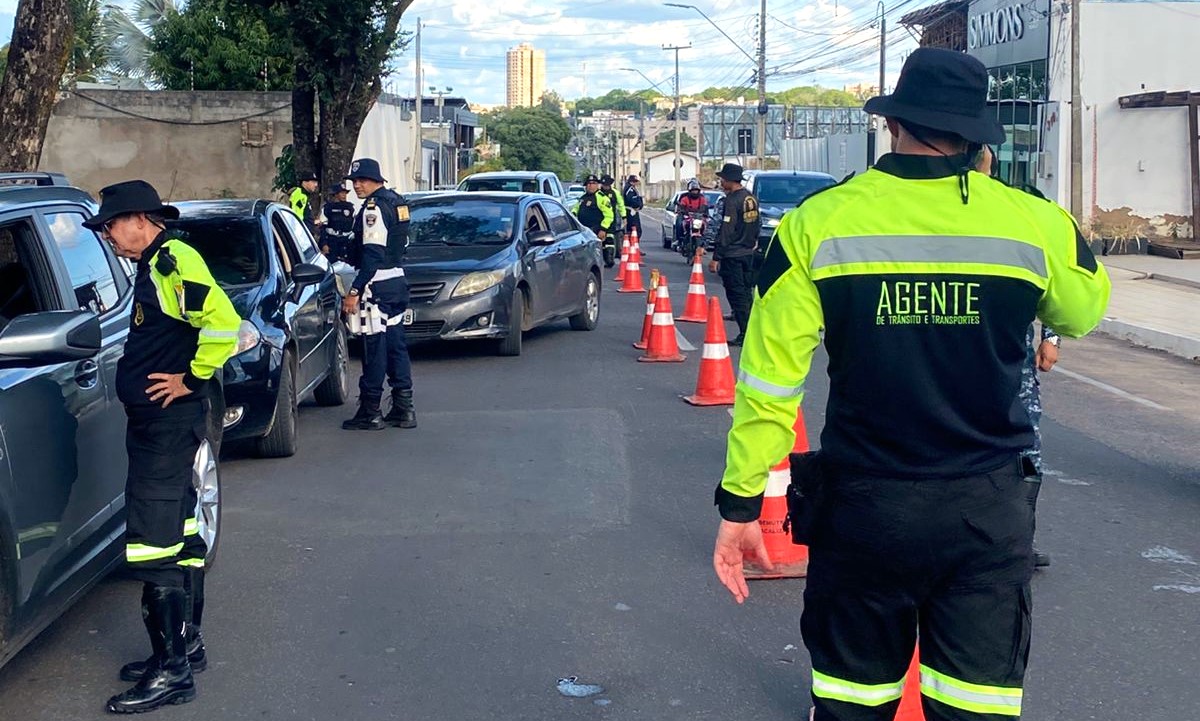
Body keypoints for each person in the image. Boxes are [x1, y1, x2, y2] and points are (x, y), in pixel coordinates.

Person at [710, 48, 1111, 721]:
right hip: (986, 509)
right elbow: (1082, 308)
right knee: (976, 707)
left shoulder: (821, 221)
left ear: (893, 125)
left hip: (865, 506)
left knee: (852, 703)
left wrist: (741, 503)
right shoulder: (1031, 222)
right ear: (980, 139)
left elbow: (768, 380)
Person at [84, 180, 239, 714]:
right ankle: (184, 646)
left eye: (110, 224)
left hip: (166, 424)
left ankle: (171, 670)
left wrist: (190, 379)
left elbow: (223, 322)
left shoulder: (172, 259)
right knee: (182, 531)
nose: (107, 235)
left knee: (153, 545)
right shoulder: (156, 263)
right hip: (163, 425)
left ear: (141, 220)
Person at [341, 158, 416, 431]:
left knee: (374, 350)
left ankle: (370, 411)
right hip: (396, 281)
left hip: (376, 286)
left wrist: (354, 291)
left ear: (377, 181)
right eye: (354, 182)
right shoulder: (397, 201)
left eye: (363, 180)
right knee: (396, 347)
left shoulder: (373, 208)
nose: (357, 186)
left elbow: (372, 255)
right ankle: (403, 408)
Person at [708, 165, 759, 346]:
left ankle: (746, 333)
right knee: (746, 293)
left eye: (723, 179)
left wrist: (716, 257)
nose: (721, 183)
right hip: (748, 252)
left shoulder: (732, 201)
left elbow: (727, 231)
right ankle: (753, 329)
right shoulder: (750, 198)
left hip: (733, 254)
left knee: (736, 294)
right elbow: (756, 224)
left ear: (730, 180)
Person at [573, 175, 616, 266]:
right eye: (588, 184)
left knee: (596, 255)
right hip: (584, 230)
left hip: (596, 230)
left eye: (593, 183)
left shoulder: (602, 198)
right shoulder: (583, 198)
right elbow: (575, 210)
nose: (591, 186)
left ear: (597, 185)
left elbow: (609, 215)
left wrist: (603, 229)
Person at [321, 184, 355, 261]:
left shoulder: (351, 208)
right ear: (335, 194)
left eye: (345, 193)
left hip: (347, 241)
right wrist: (324, 244)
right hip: (332, 241)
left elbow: (355, 226)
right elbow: (323, 227)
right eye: (341, 193)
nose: (344, 195)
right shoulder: (327, 208)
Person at [674, 179, 709, 251]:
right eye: (693, 190)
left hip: (698, 217)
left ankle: (704, 243)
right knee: (679, 222)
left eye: (696, 190)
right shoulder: (685, 198)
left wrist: (704, 213)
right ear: (689, 191)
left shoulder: (702, 198)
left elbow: (705, 207)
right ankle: (679, 240)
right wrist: (681, 211)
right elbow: (681, 206)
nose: (695, 192)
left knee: (707, 225)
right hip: (687, 217)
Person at [599, 175, 626, 248]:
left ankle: (610, 255)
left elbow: (621, 205)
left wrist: (624, 217)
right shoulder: (598, 193)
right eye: (604, 185)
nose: (605, 187)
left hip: (611, 219)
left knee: (610, 239)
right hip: (599, 219)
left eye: (607, 185)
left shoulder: (615, 193)